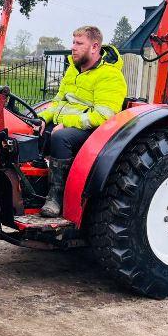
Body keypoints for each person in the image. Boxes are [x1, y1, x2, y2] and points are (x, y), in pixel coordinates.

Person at [37, 26, 127, 217]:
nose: (73, 47)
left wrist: (67, 123)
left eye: (79, 43)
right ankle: (33, 190)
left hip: (95, 130)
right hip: (69, 123)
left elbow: (103, 115)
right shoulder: (73, 70)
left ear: (94, 47)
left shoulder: (110, 75)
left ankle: (56, 197)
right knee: (31, 130)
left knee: (61, 138)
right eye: (73, 42)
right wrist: (42, 118)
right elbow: (58, 102)